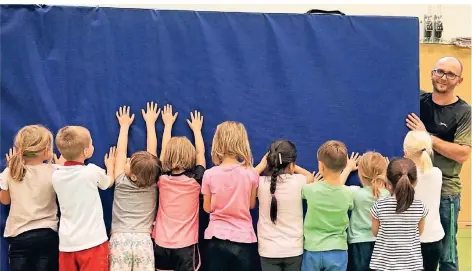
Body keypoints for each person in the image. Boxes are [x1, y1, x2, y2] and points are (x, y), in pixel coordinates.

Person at [406, 56, 471, 270]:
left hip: (446, 194)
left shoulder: (464, 112)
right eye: (439, 71)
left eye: (450, 74)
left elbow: (462, 154)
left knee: (446, 255)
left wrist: (427, 136)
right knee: (413, 250)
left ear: (459, 80)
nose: (443, 77)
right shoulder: (418, 100)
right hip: (412, 188)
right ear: (432, 73)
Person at [52, 126, 116, 271]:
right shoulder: (92, 171)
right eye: (91, 144)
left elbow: (62, 169)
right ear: (86, 151)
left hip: (67, 244)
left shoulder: (55, 175)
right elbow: (108, 182)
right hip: (93, 241)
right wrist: (110, 166)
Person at [0, 125, 61, 271]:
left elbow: (5, 201)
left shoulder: (10, 172)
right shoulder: (54, 171)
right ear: (46, 149)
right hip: (47, 234)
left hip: (19, 235)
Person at [153, 105, 206, 271]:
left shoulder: (161, 178)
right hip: (186, 245)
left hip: (161, 243)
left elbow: (161, 156)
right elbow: (200, 155)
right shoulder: (195, 180)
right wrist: (197, 130)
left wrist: (167, 125)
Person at [109, 103, 161, 271]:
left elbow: (121, 152)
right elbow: (152, 153)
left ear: (132, 174)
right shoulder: (153, 183)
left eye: (129, 162)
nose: (127, 159)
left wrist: (124, 127)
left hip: (119, 240)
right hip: (143, 242)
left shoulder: (120, 181)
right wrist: (151, 124)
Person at [201, 121, 259, 271]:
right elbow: (251, 205)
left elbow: (207, 208)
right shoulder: (251, 174)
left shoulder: (209, 174)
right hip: (244, 239)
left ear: (217, 142)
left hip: (216, 238)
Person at [257, 139, 313, 271]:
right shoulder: (300, 181)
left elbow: (247, 179)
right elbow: (310, 176)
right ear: (292, 164)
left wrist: (261, 165)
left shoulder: (260, 183)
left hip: (268, 249)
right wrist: (292, 166)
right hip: (294, 249)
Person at [301, 140, 354, 271]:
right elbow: (337, 187)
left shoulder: (310, 190)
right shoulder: (348, 194)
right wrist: (348, 169)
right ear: (344, 164)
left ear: (321, 165)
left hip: (313, 249)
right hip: (338, 250)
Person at [370, 157, 428, 271]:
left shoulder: (379, 205)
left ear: (388, 181)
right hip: (412, 266)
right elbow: (419, 232)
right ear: (415, 182)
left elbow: (375, 232)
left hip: (383, 266)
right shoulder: (420, 207)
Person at [339, 151, 390, 271]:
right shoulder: (388, 194)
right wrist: (388, 173)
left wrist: (348, 167)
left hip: (358, 244)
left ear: (360, 174)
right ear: (384, 173)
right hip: (382, 244)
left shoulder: (355, 193)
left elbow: (335, 187)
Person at [404, 131, 445, 271]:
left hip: (411, 242)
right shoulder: (437, 173)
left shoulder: (404, 179)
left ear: (406, 154)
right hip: (434, 238)